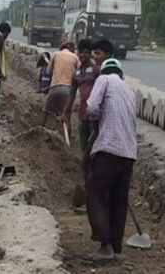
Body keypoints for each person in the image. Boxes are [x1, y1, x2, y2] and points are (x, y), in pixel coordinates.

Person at [85, 58, 137, 260]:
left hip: (109, 147)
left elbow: (91, 108)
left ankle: (104, 245)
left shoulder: (104, 80)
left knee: (96, 192)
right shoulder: (130, 89)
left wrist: (96, 119)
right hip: (129, 153)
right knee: (119, 199)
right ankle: (116, 248)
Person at [62, 39, 100, 179]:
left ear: (90, 54)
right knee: (84, 149)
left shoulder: (96, 71)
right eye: (80, 52)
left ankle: (95, 178)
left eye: (86, 52)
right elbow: (72, 93)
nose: (83, 55)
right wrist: (66, 111)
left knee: (93, 151)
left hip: (95, 117)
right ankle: (88, 181)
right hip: (82, 115)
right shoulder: (76, 73)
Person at [41, 40, 80, 127]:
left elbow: (48, 72)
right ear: (72, 49)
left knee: (46, 111)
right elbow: (80, 73)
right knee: (67, 116)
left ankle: (40, 129)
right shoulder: (75, 57)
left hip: (55, 88)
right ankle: (68, 138)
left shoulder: (55, 54)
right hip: (68, 90)